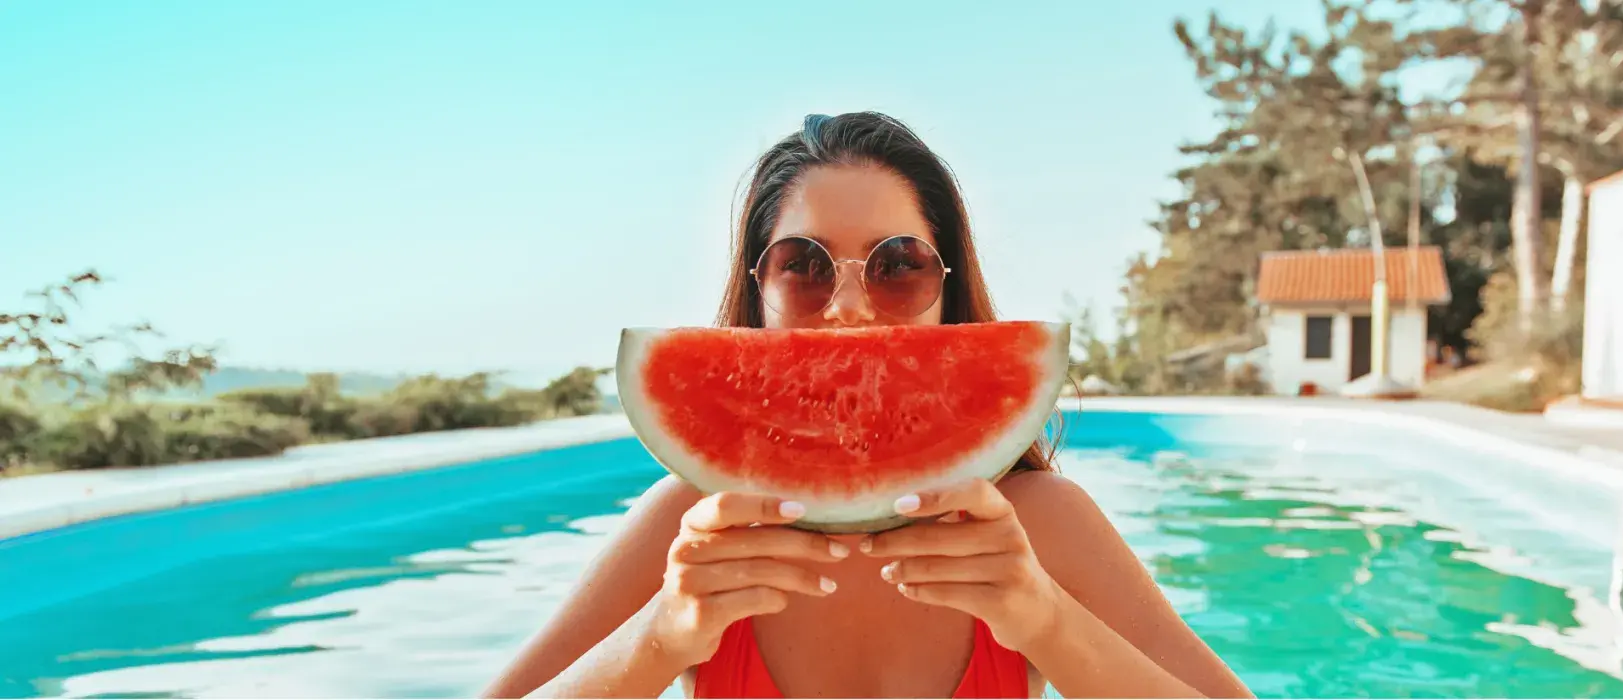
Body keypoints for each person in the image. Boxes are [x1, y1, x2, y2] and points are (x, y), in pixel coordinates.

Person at [483, 112, 1252, 699]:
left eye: (898, 266)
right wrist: (660, 635)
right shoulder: (687, 529)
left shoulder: (1041, 522)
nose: (849, 307)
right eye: (804, 267)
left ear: (948, 291)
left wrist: (1046, 619)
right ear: (759, 288)